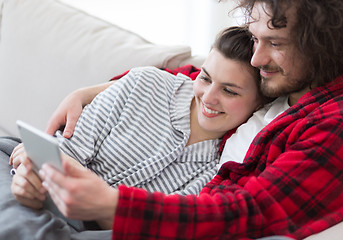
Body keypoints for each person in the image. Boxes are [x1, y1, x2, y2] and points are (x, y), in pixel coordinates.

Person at [9, 0, 343, 239]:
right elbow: (199, 76)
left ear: (323, 44)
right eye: (256, 39)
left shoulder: (342, 122)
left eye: (275, 43)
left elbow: (252, 211)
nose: (256, 58)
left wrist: (111, 205)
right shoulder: (289, 79)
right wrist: (96, 90)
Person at [7, 26, 264, 232]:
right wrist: (27, 179)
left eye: (229, 90)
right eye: (205, 78)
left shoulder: (224, 167)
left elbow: (149, 229)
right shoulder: (146, 83)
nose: (208, 97)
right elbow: (66, 150)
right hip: (37, 184)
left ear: (259, 103)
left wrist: (91, 196)